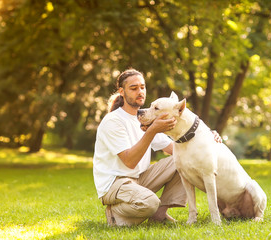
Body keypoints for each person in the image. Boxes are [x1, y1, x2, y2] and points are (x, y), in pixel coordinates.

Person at [93, 68, 220, 226]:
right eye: (133, 88)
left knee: (181, 160)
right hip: (116, 183)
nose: (140, 92)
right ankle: (116, 213)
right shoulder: (113, 121)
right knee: (150, 203)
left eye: (142, 87)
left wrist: (206, 137)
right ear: (122, 92)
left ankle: (160, 214)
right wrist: (152, 130)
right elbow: (129, 161)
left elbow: (175, 149)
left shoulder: (148, 118)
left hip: (140, 178)